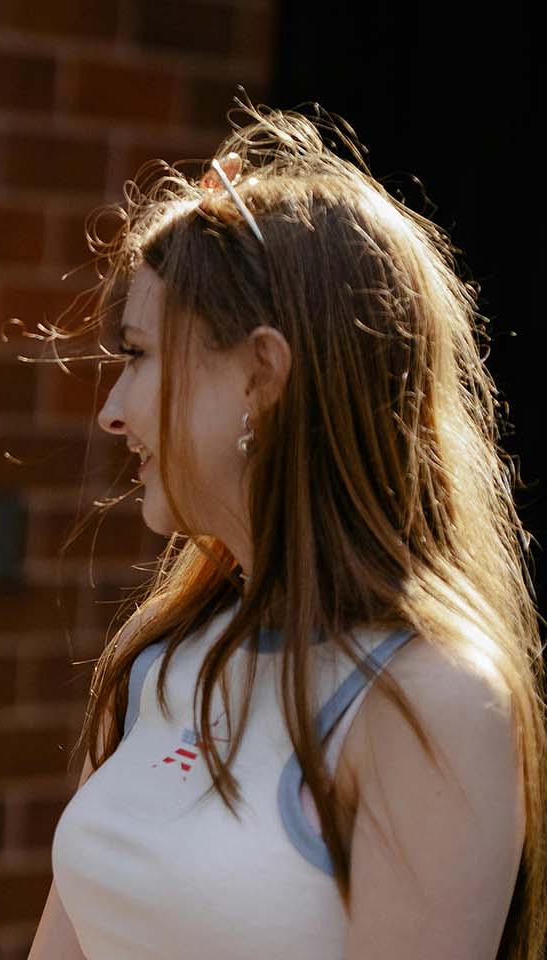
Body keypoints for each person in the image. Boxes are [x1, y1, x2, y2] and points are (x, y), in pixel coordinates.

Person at [29, 107, 545, 959]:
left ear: (261, 378)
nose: (112, 413)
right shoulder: (157, 656)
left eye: (140, 355)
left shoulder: (431, 701)